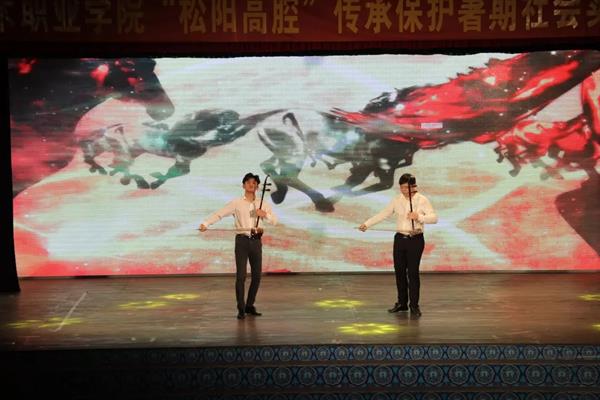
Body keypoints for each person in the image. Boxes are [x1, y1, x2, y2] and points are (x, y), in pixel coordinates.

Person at [199, 173, 277, 320]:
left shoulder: (262, 203)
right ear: (243, 185)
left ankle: (249, 305)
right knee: (241, 276)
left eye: (254, 183)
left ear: (257, 186)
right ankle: (241, 308)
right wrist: (206, 223)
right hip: (242, 241)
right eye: (248, 182)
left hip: (256, 241)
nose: (251, 185)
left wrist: (264, 214)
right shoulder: (237, 203)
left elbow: (274, 221)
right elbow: (220, 213)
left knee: (257, 276)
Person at [359, 173, 437, 317]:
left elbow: (434, 218)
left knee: (412, 273)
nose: (404, 191)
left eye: (407, 188)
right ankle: (402, 303)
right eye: (402, 188)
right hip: (400, 239)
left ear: (413, 186)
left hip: (415, 239)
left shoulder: (422, 200)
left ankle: (414, 305)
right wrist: (367, 224)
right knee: (399, 272)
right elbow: (384, 213)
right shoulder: (397, 199)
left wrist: (419, 217)